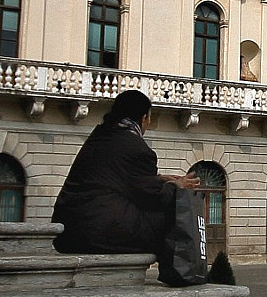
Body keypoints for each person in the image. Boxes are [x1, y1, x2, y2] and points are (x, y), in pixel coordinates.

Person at [51, 89, 202, 285]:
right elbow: (154, 199)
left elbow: (120, 179)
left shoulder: (100, 135)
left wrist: (160, 179)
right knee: (174, 211)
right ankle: (179, 274)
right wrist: (176, 186)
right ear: (144, 118)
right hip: (99, 232)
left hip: (69, 231)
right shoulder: (137, 147)